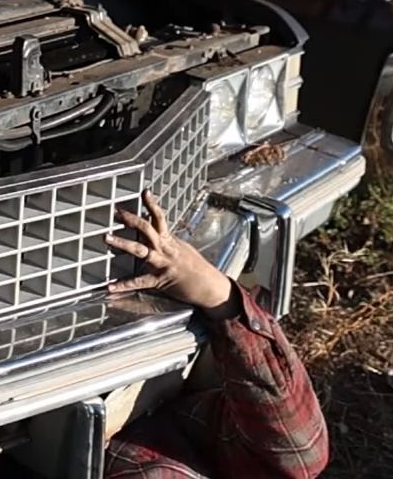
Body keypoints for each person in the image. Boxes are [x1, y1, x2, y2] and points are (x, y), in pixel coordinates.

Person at [103, 192, 330, 479]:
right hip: (179, 409)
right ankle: (218, 296)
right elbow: (300, 451)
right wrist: (216, 293)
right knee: (304, 458)